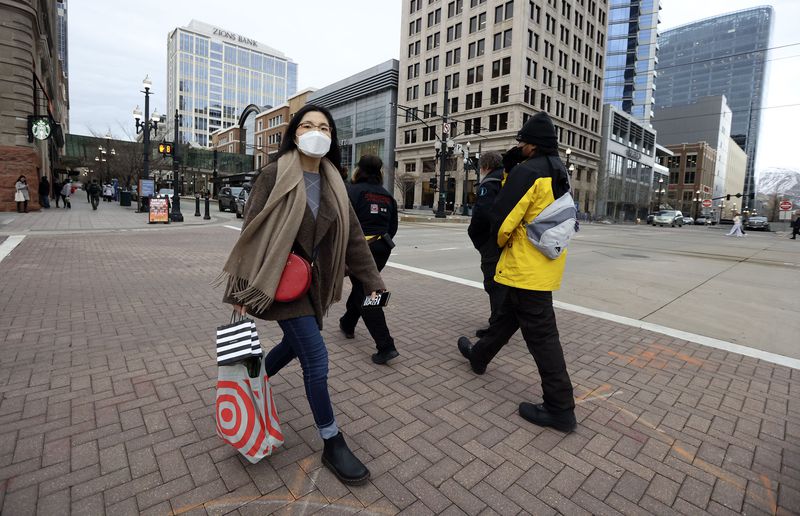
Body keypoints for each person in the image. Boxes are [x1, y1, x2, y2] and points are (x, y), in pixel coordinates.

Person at [219, 104, 384, 486]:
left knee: (296, 347)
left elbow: (355, 237)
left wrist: (373, 281)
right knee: (316, 357)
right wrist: (241, 290)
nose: (316, 132)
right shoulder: (275, 173)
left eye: (324, 128)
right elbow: (253, 231)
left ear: (331, 138)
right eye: (308, 125)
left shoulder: (336, 182)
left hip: (315, 284)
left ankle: (255, 381)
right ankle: (331, 440)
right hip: (280, 280)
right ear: (294, 134)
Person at [456, 112, 577, 433]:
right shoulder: (559, 170)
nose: (519, 146)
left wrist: (496, 243)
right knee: (507, 316)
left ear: (532, 145)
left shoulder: (529, 172)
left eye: (522, 142)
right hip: (545, 263)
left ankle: (560, 408)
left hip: (525, 266)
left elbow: (502, 218)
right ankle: (479, 356)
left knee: (543, 338)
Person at [338, 154, 399, 365]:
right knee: (363, 288)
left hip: (360, 250)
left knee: (368, 292)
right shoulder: (387, 195)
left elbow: (343, 223)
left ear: (359, 169)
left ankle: (386, 346)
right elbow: (393, 228)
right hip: (382, 248)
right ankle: (347, 323)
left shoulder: (352, 191)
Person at [467, 151, 507, 339]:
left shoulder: (490, 183)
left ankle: (497, 328)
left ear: (484, 167)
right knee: (502, 282)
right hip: (505, 239)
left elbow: (482, 214)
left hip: (491, 240)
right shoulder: (507, 178)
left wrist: (475, 235)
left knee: (493, 283)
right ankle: (500, 323)